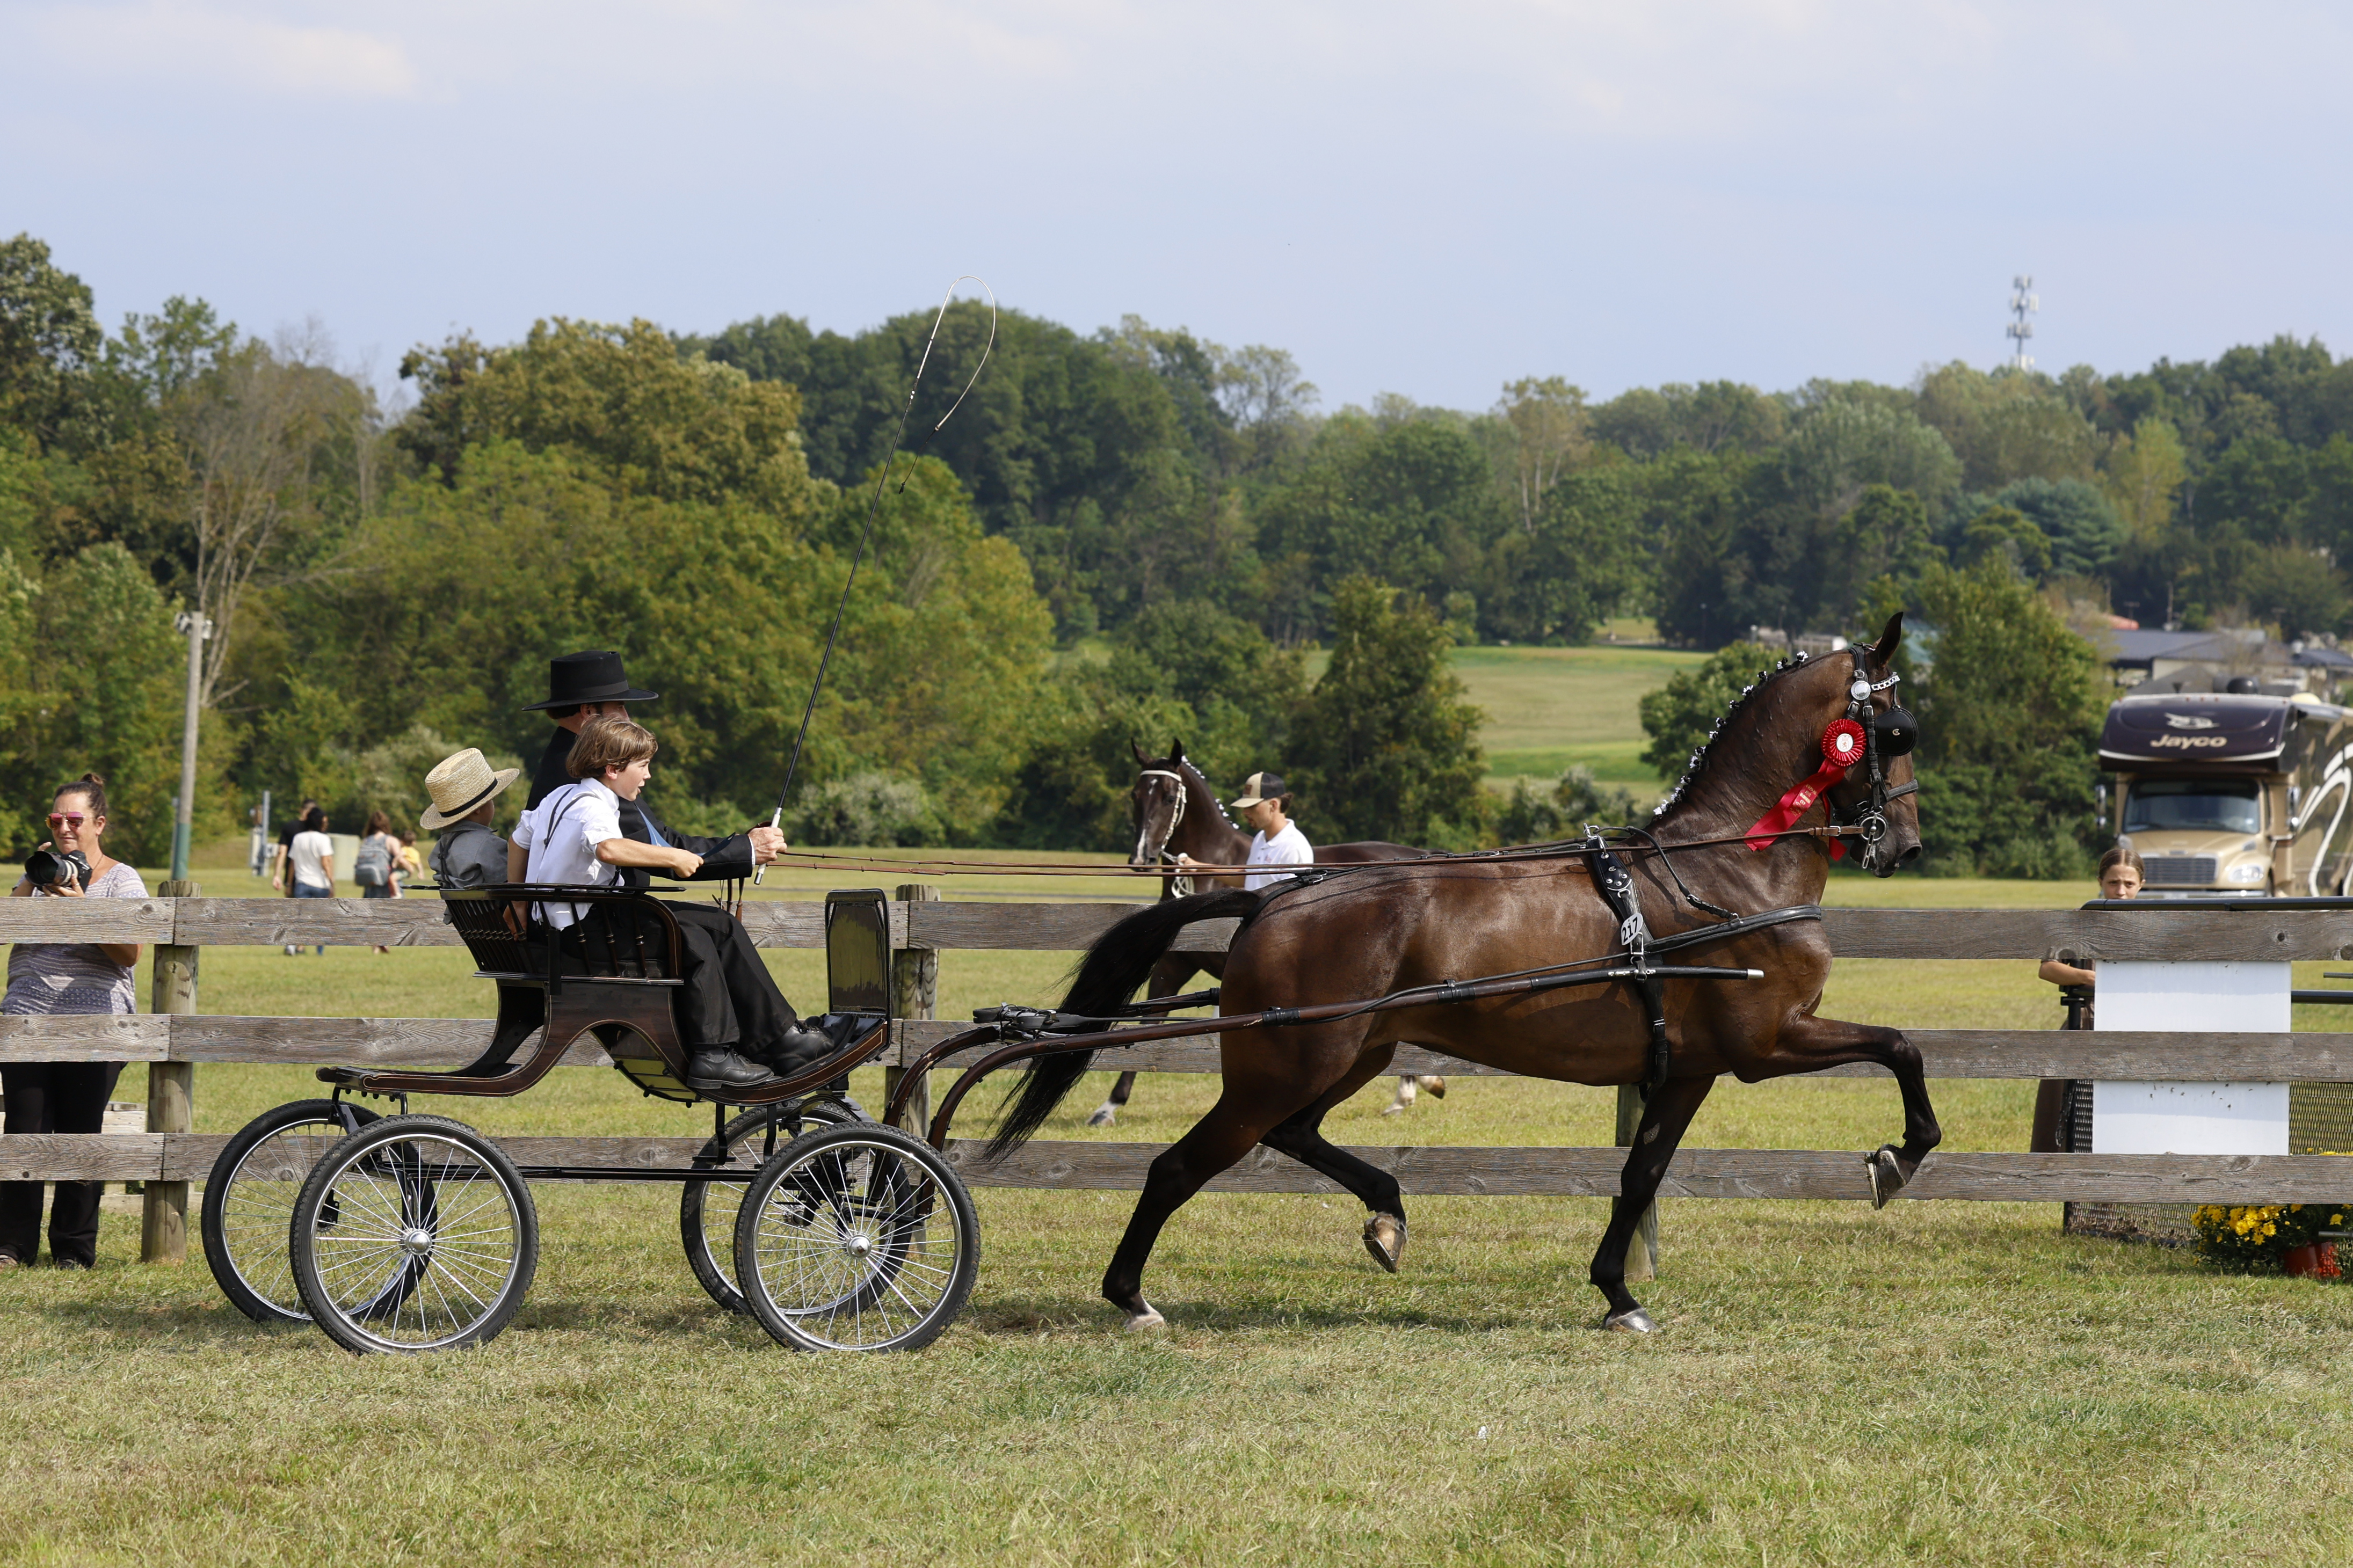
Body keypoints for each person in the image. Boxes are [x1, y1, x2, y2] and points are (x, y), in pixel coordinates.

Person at [510, 716, 829, 1096]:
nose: (647, 776)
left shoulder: (561, 796)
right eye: (642, 766)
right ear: (612, 769)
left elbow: (519, 838)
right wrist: (672, 858)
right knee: (695, 939)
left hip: (573, 930)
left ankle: (779, 1037)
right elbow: (608, 847)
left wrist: (518, 901)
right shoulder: (592, 806)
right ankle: (720, 1053)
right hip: (589, 933)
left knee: (719, 924)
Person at [0, 775, 148, 1268]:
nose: (65, 827)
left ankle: (73, 1248)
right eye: (56, 819)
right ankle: (12, 1246)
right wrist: (31, 877)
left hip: (96, 1025)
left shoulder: (122, 879)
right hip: (25, 1021)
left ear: (99, 823)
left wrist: (85, 909)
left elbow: (130, 953)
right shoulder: (39, 881)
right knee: (24, 1130)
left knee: (80, 1132)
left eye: (75, 819)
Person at [520, 650, 782, 885]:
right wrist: (746, 848)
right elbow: (654, 844)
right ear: (589, 712)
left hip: (594, 911)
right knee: (722, 931)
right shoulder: (591, 770)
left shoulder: (563, 756)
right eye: (620, 707)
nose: (627, 717)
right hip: (599, 919)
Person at [2030, 845, 2146, 1152]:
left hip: (2138, 1030)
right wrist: (2091, 979)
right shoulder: (2081, 920)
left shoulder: (2152, 925)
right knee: (2070, 1119)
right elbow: (2048, 968)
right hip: (2086, 1025)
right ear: (2100, 881)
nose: (2120, 891)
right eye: (2113, 883)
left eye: (2129, 884)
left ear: (2141, 885)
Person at [422, 747, 519, 906]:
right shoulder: (488, 845)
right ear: (478, 809)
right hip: (498, 922)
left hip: (466, 922)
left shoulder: (441, 845)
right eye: (491, 800)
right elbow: (512, 885)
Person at [268, 798, 321, 955]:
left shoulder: (289, 827)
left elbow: (282, 852)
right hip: (315, 877)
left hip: (293, 876)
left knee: (292, 910)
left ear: (301, 810)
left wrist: (277, 875)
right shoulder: (317, 831)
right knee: (309, 913)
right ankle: (301, 945)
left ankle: (291, 943)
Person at [287, 806, 333, 956]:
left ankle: (296, 946)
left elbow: (292, 864)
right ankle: (319, 950)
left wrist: (289, 884)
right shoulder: (324, 839)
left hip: (302, 883)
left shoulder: (298, 838)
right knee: (321, 919)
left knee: (300, 918)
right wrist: (332, 882)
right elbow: (326, 863)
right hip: (320, 884)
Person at [357, 809, 401, 953]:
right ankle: (385, 942)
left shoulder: (366, 841)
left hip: (370, 884)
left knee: (372, 915)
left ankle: (375, 948)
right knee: (388, 914)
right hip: (386, 883)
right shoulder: (390, 840)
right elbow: (398, 857)